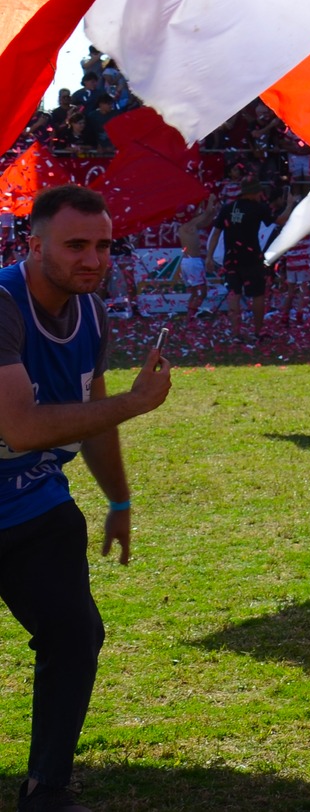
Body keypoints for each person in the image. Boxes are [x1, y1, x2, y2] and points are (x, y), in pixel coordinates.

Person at [0, 186, 172, 812]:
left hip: (34, 503)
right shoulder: (3, 305)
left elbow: (94, 418)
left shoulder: (91, 313)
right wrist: (136, 401)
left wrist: (119, 502)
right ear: (34, 245)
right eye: (76, 245)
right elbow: (20, 428)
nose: (93, 259)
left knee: (75, 633)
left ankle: (46, 789)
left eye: (103, 246)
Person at [207, 181, 271, 333]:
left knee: (234, 294)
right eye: (258, 193)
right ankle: (258, 332)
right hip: (252, 258)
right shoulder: (259, 208)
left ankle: (236, 333)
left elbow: (215, 234)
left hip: (231, 258)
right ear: (252, 193)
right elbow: (279, 221)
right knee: (257, 295)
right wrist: (290, 206)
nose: (260, 196)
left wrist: (209, 256)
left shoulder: (228, 208)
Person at [175, 196, 218, 319]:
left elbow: (206, 221)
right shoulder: (189, 226)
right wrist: (210, 200)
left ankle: (189, 316)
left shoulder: (187, 227)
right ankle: (191, 315)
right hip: (193, 262)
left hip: (187, 262)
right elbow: (206, 214)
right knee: (202, 292)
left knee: (194, 292)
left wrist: (213, 211)